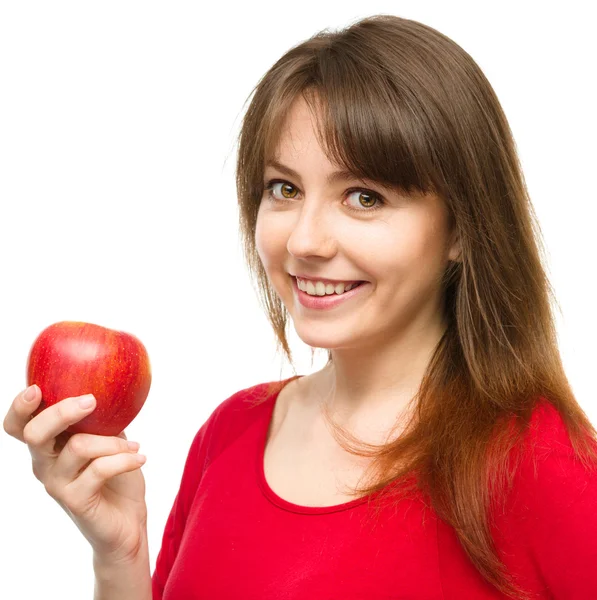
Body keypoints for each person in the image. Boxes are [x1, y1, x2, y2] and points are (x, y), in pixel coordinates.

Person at [4, 13, 597, 600]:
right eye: (284, 189)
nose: (305, 241)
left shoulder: (541, 465)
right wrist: (120, 558)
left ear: (461, 229)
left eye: (364, 197)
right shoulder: (229, 433)